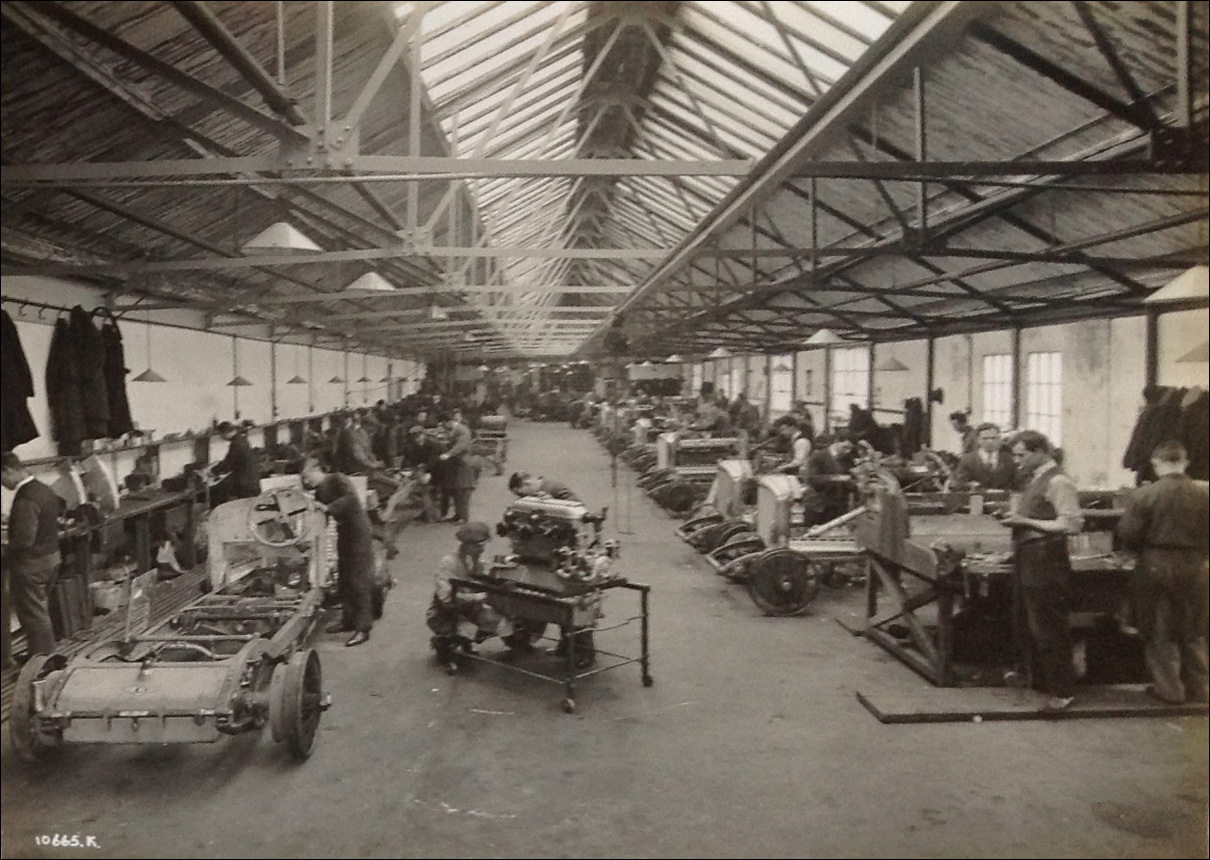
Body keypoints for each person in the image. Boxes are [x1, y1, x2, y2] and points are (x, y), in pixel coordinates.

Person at [1117, 440, 1209, 704]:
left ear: (1156, 463)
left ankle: (1170, 691)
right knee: (1194, 629)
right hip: (1196, 565)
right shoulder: (1204, 493)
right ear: (1185, 462)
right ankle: (1201, 690)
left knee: (1160, 628)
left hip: (1156, 564)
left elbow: (1128, 533)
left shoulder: (1144, 495)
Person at [1001, 430, 1084, 711]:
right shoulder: (1035, 478)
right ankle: (1039, 681)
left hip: (1046, 560)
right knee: (1026, 623)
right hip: (1028, 557)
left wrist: (1025, 522)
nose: (1016, 461)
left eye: (1021, 455)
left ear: (1040, 452)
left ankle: (1063, 692)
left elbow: (1071, 524)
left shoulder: (1059, 481)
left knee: (1048, 627)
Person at [301, 458, 375, 647]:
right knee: (344, 579)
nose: (306, 482)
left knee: (359, 581)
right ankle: (348, 620)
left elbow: (350, 499)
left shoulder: (337, 478)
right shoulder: (319, 492)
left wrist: (327, 508)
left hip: (359, 533)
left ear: (317, 470)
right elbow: (321, 517)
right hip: (344, 534)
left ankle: (363, 628)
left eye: (307, 477)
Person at [1, 452, 62, 662]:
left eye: (1, 479)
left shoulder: (26, 497)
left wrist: (5, 550)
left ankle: (42, 663)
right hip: (51, 559)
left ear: (8, 470)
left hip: (32, 566)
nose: (3, 484)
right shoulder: (43, 489)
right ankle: (41, 656)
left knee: (33, 617)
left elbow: (24, 540)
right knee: (39, 611)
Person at [426, 521, 505, 660]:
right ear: (466, 545)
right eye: (478, 546)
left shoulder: (475, 561)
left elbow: (483, 581)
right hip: (446, 614)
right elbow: (446, 599)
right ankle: (446, 640)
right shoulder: (448, 563)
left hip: (470, 609)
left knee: (499, 621)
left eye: (483, 546)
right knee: (465, 632)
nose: (482, 550)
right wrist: (480, 597)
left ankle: (466, 638)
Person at [801, 435, 855, 527]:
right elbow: (812, 479)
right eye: (845, 447)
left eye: (850, 449)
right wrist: (834, 478)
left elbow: (850, 480)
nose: (847, 451)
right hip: (818, 505)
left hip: (837, 507)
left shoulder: (847, 460)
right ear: (836, 441)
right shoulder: (818, 457)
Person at [949, 422, 1016, 490]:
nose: (990, 442)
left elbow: (1015, 483)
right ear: (978, 440)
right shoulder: (968, 460)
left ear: (999, 439)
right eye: (985, 438)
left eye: (994, 438)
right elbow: (959, 484)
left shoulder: (1008, 460)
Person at [209, 420, 261, 507]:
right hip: (252, 479)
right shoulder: (242, 439)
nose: (222, 437)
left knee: (244, 507)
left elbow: (228, 464)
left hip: (245, 482)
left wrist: (214, 471)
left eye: (221, 435)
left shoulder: (236, 444)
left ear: (225, 433)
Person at [437, 411, 476, 524]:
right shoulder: (451, 430)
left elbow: (460, 446)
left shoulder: (463, 430)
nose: (443, 427)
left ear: (448, 422)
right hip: (454, 464)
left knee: (462, 491)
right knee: (455, 491)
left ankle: (463, 516)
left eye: (443, 424)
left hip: (463, 463)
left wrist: (448, 454)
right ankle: (458, 514)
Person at [509, 471, 579, 501]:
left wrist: (553, 502)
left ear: (527, 483)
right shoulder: (535, 493)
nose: (524, 497)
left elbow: (576, 504)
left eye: (522, 494)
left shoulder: (555, 487)